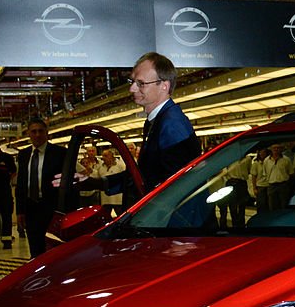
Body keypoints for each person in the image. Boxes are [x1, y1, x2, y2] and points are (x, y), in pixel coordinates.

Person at [74, 52, 201, 207]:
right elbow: (146, 176)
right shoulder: (159, 121)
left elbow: (175, 187)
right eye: (132, 81)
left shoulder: (172, 124)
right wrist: (96, 183)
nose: (132, 89)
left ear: (164, 86)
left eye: (141, 83)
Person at [15, 118, 67, 258]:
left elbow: (68, 183)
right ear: (28, 134)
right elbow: (21, 184)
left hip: (52, 209)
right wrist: (19, 210)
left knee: (53, 249)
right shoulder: (24, 155)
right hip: (31, 208)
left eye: (40, 131)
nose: (37, 134)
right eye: (34, 131)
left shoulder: (60, 153)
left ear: (46, 133)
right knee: (35, 248)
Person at [95, 149, 125, 216]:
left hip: (118, 199)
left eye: (105, 156)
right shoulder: (100, 167)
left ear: (112, 156)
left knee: (121, 216)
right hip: (105, 200)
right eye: (103, 156)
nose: (103, 158)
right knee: (106, 217)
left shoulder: (120, 165)